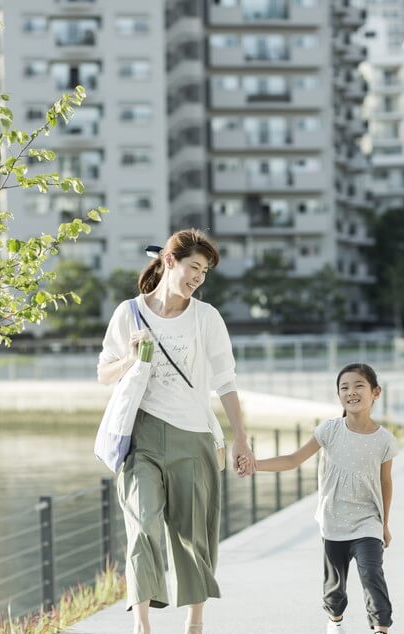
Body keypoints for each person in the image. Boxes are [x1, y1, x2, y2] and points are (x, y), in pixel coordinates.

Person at [97, 228, 256, 634]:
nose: (198, 278)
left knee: (192, 535)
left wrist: (240, 437)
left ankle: (194, 623)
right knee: (142, 523)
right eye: (194, 268)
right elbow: (104, 374)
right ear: (170, 261)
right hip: (142, 437)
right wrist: (132, 358)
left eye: (204, 272)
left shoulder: (206, 318)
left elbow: (226, 381)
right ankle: (143, 626)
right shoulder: (128, 313)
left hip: (194, 436)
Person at [246, 362, 397, 633]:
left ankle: (381, 627)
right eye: (344, 387)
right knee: (334, 589)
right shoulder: (329, 430)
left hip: (368, 521)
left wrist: (384, 524)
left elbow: (386, 483)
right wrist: (256, 464)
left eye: (358, 385)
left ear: (376, 392)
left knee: (372, 573)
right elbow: (293, 459)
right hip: (334, 521)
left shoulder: (384, 439)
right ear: (338, 394)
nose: (351, 392)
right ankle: (335, 621)